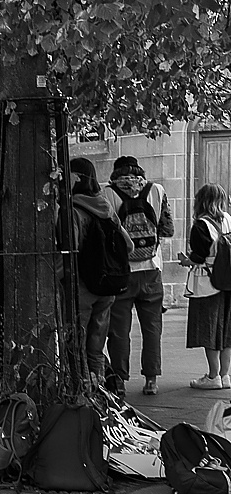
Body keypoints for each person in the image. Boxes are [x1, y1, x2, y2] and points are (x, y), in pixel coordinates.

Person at [102, 155, 174, 397]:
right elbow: (167, 229)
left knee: (119, 330)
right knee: (152, 328)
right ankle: (151, 380)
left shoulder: (108, 193)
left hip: (122, 272)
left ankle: (120, 380)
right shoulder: (157, 190)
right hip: (152, 269)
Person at [66, 158, 133, 386]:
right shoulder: (106, 208)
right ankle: (99, 393)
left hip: (82, 287)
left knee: (76, 345)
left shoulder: (72, 210)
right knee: (95, 347)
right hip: (107, 286)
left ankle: (80, 393)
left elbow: (70, 252)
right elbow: (129, 246)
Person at [178, 184, 231, 389]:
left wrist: (186, 261)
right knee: (227, 330)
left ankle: (212, 376)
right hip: (229, 283)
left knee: (210, 328)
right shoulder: (228, 219)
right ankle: (225, 376)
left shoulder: (200, 225)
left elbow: (199, 256)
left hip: (208, 283)